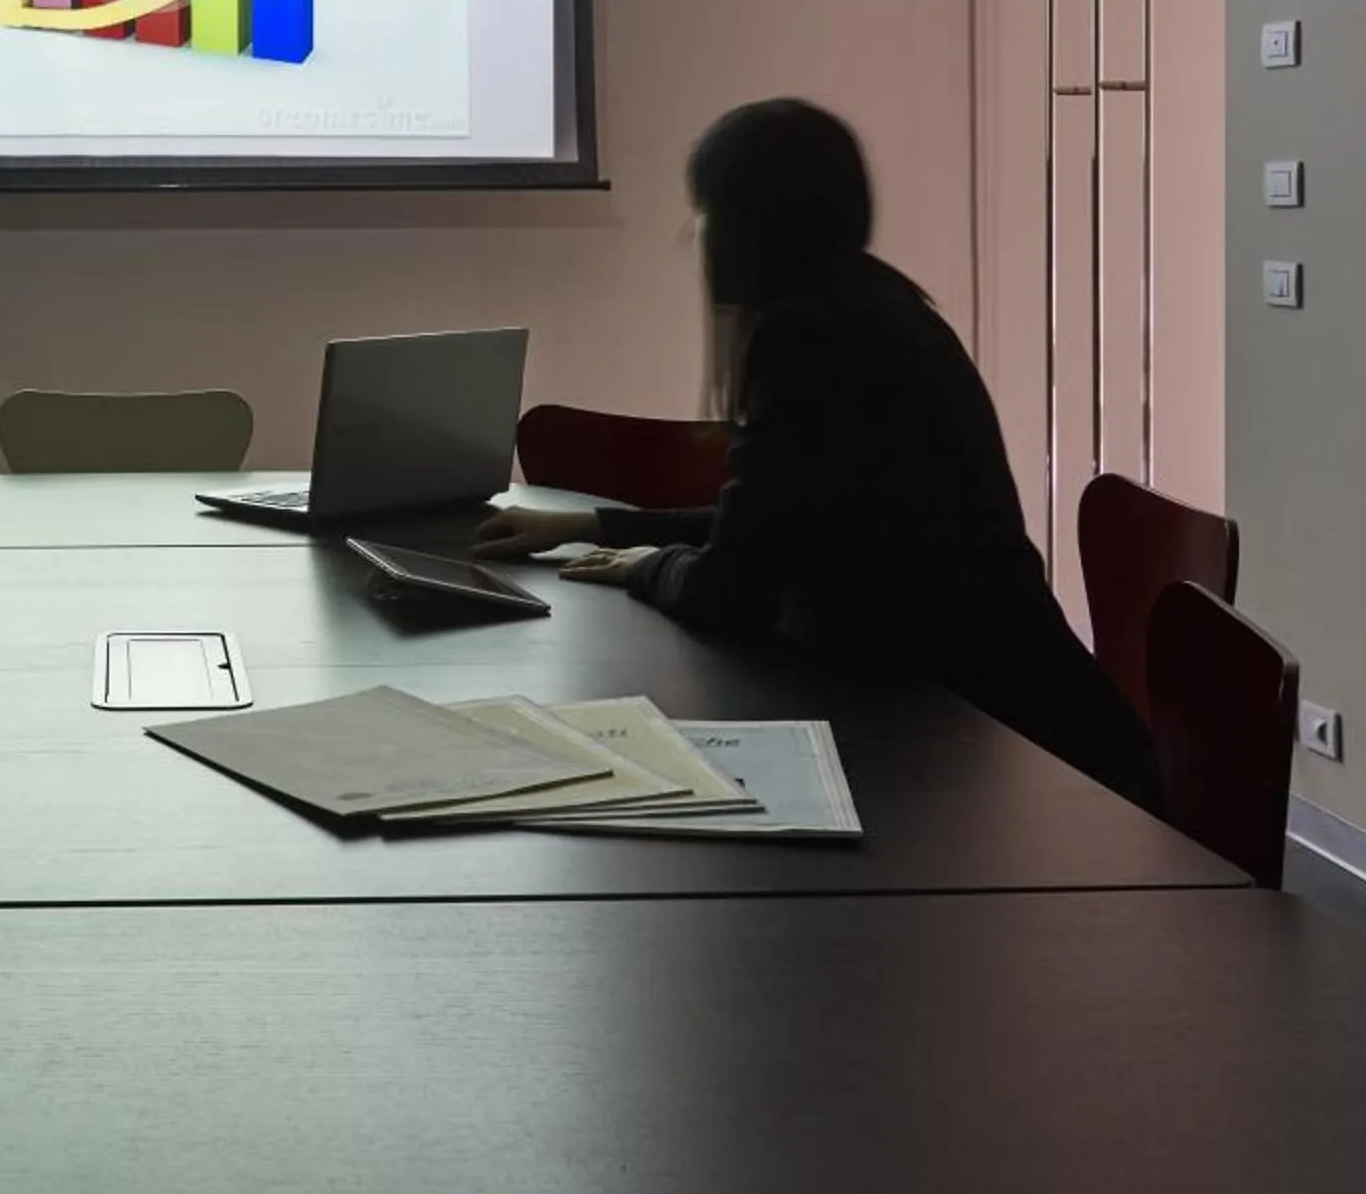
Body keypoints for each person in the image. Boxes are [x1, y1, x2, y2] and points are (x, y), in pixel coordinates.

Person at [474, 98, 1158, 807]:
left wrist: (651, 566)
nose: (692, 233)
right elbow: (781, 516)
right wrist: (598, 527)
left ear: (746, 225)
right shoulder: (873, 305)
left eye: (703, 208)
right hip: (1008, 720)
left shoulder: (808, 339)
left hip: (1010, 758)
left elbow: (733, 591)